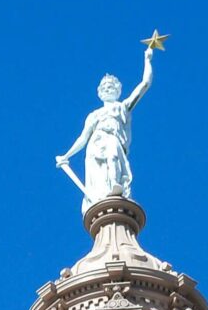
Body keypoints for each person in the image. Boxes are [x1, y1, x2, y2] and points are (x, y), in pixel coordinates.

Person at [56, 44, 155, 207]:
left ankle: (115, 186)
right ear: (100, 93)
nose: (108, 89)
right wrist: (66, 156)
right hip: (95, 144)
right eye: (105, 87)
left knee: (113, 155)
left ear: (118, 90)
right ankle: (107, 194)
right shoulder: (94, 115)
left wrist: (147, 60)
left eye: (111, 87)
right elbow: (83, 138)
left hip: (112, 139)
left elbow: (145, 84)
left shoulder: (122, 107)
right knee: (100, 175)